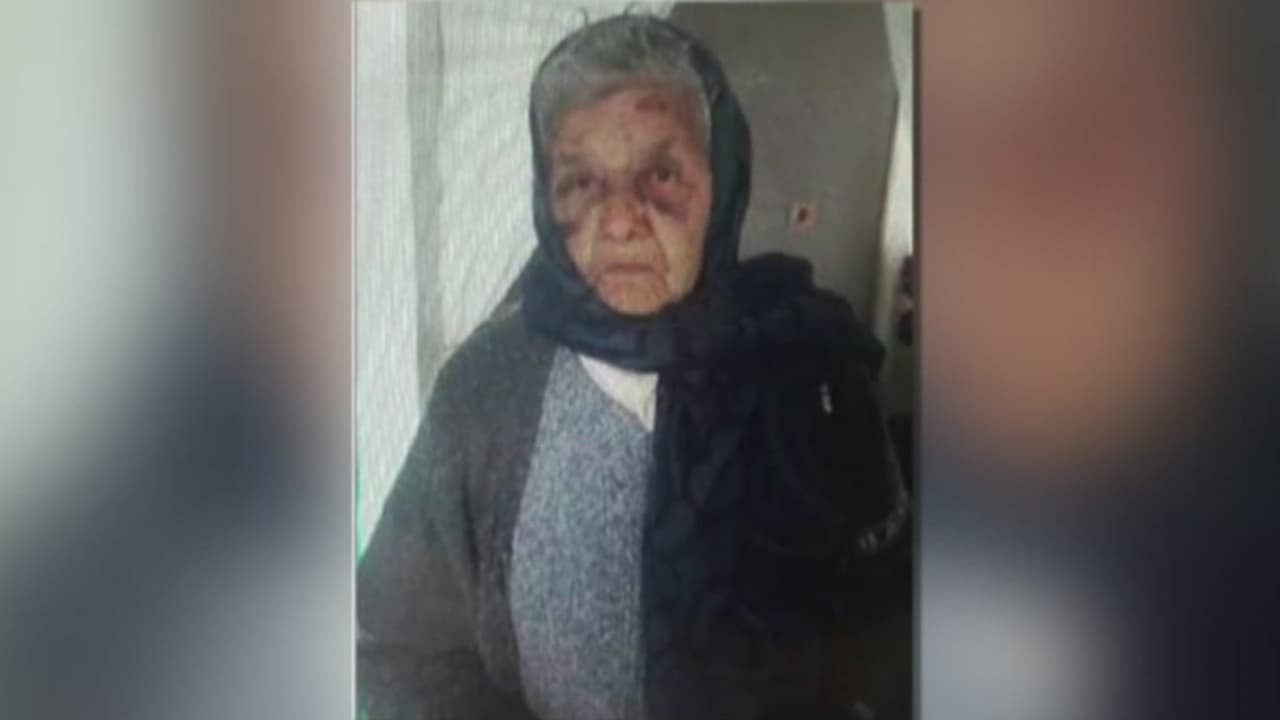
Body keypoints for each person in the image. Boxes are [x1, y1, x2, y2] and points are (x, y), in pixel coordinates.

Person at [358, 15, 907, 720]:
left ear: (723, 181)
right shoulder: (483, 392)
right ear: (546, 200)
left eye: (662, 174)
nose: (620, 220)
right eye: (580, 182)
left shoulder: (815, 376)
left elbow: (885, 627)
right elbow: (401, 646)